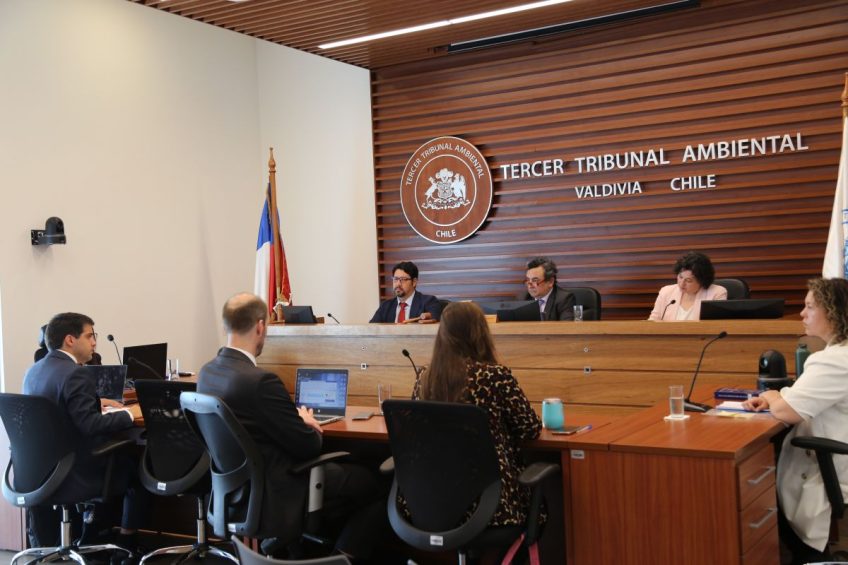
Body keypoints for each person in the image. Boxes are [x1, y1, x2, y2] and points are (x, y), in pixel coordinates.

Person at [197, 293, 385, 561]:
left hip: (235, 491)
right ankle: (340, 558)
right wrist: (307, 422)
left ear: (226, 325)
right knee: (376, 484)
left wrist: (290, 418)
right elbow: (309, 447)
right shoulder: (260, 382)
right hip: (278, 489)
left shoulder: (207, 373)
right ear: (260, 326)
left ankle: (305, 552)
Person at [742, 278, 848, 564]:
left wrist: (773, 395)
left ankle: (810, 557)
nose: (802, 313)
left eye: (810, 307)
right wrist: (779, 397)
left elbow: (788, 412)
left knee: (759, 496)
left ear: (833, 312)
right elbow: (804, 395)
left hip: (832, 464)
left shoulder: (833, 360)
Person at [22, 312, 146, 550]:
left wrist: (96, 402)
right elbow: (91, 425)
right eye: (90, 336)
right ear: (70, 339)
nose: (94, 343)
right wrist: (131, 413)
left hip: (40, 471)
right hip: (72, 473)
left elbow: (56, 407)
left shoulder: (34, 370)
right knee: (137, 466)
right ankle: (126, 542)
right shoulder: (76, 373)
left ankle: (94, 533)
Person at [413, 301, 542, 526]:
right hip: (493, 505)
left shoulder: (426, 377)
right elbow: (530, 429)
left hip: (435, 503)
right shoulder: (494, 375)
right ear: (480, 333)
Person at [648, 251, 727, 321]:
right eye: (680, 277)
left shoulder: (716, 293)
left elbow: (718, 325)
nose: (681, 284)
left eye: (688, 280)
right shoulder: (666, 291)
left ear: (702, 281)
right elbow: (653, 320)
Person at [369, 261, 442, 323]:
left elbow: (434, 320)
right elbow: (372, 329)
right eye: (395, 279)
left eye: (403, 279)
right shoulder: (386, 306)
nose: (398, 284)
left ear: (414, 282)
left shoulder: (429, 302)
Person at [522, 256, 575, 320]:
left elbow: (566, 325)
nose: (530, 286)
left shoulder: (564, 299)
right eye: (528, 280)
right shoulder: (523, 298)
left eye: (535, 280)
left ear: (550, 282)